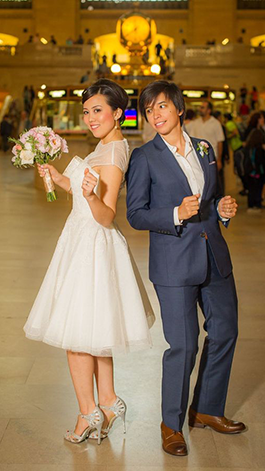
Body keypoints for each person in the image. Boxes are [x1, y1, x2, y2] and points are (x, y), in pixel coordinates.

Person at [24, 79, 155, 444]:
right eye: (86, 111)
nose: (90, 117)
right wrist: (60, 178)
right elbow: (84, 195)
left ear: (118, 113)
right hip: (82, 240)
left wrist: (89, 195)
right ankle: (109, 403)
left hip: (92, 244)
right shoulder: (105, 146)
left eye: (98, 110)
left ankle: (88, 413)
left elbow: (106, 213)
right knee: (93, 334)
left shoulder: (113, 154)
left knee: (76, 334)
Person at [126, 80, 246, 457]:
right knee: (183, 345)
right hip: (174, 264)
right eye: (149, 110)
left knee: (226, 330)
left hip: (214, 255)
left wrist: (221, 211)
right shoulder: (144, 157)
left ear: (179, 109)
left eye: (161, 106)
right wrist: (176, 213)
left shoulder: (204, 148)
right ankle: (171, 424)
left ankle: (207, 409)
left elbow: (209, 200)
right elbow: (135, 214)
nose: (155, 114)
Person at [186, 101, 225, 170]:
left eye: (202, 108)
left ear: (209, 110)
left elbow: (220, 142)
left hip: (211, 158)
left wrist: (219, 160)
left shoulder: (216, 123)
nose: (200, 109)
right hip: (197, 158)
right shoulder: (195, 122)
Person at [243, 129, 265, 213]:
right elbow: (261, 161)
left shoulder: (248, 147)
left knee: (251, 189)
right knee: (258, 188)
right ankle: (256, 204)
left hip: (249, 172)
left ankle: (251, 204)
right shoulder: (259, 148)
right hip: (258, 172)